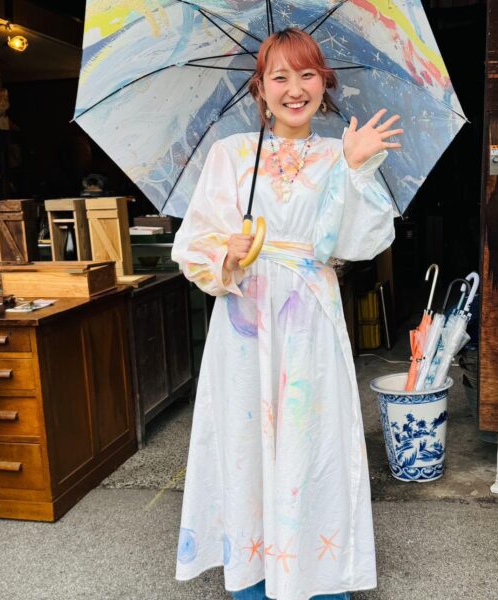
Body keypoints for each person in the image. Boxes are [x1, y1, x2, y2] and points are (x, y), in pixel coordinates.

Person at [172, 28, 403, 600]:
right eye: (279, 76)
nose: (294, 88)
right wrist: (225, 253)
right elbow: (192, 242)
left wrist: (354, 169)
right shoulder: (231, 154)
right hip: (244, 318)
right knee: (244, 437)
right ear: (260, 88)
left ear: (324, 85)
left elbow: (361, 240)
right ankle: (255, 576)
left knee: (311, 436)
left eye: (307, 75)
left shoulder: (338, 152)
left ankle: (316, 578)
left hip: (309, 317)